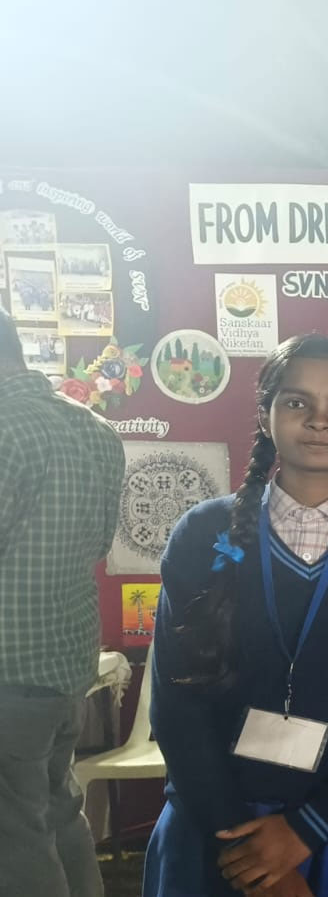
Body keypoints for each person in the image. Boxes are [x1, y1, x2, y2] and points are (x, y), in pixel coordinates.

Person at [145, 334, 328, 897]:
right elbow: (175, 706)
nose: (319, 421)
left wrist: (304, 832)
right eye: (297, 402)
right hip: (216, 828)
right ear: (265, 414)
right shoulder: (203, 533)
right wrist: (241, 849)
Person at [0, 307, 122, 897]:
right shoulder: (96, 429)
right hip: (67, 665)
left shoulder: (4, 429)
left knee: (15, 838)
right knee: (57, 811)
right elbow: (99, 545)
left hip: (7, 672)